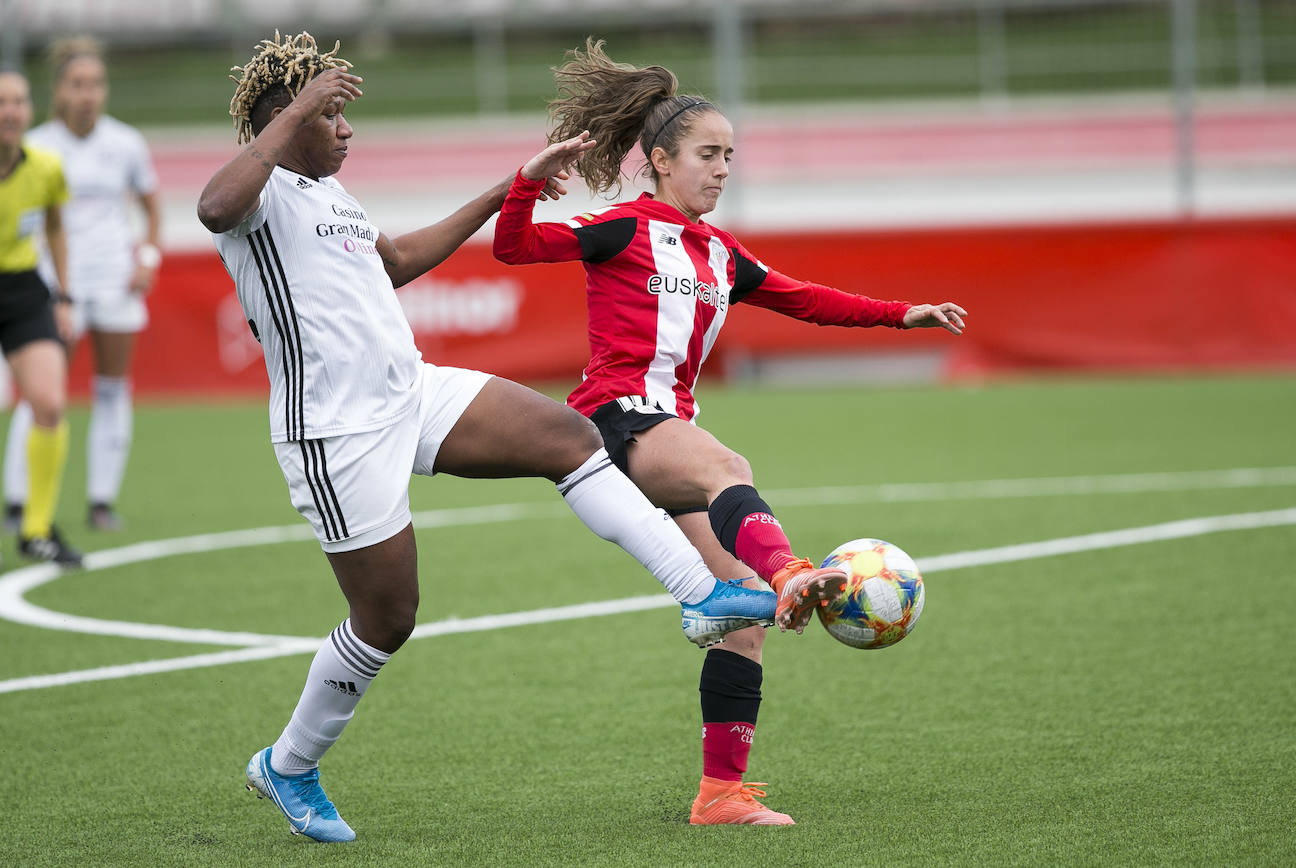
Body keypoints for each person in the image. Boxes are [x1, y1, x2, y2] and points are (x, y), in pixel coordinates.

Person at [196, 32, 777, 844]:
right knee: (387, 616)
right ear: (287, 123)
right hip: (335, 432)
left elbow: (395, 262)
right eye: (333, 116)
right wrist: (295, 111)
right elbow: (212, 206)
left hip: (411, 391)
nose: (347, 130)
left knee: (569, 436)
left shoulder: (330, 196)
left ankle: (701, 592)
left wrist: (512, 186)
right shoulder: (256, 196)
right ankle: (289, 764)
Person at [493, 39, 969, 825]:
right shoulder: (620, 227)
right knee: (729, 466)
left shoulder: (720, 253)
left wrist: (901, 313)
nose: (721, 169)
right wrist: (527, 182)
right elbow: (515, 247)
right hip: (614, 420)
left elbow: (808, 299)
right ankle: (789, 572)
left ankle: (720, 793)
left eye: (730, 156)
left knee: (742, 617)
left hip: (665, 429)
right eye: (707, 154)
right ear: (659, 161)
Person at [3, 37, 161, 534]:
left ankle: (100, 500)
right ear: (58, 91)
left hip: (115, 281)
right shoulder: (38, 147)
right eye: (77, 85)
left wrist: (148, 257)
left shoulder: (126, 143)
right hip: (54, 286)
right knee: (43, 392)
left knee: (112, 388)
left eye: (96, 84)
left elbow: (152, 209)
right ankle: (18, 499)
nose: (87, 94)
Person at [0, 70, 83, 567]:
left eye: (18, 101)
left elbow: (55, 225)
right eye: (0, 102)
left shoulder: (47, 168)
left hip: (24, 290)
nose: (9, 111)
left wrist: (64, 295)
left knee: (49, 404)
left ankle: (36, 529)